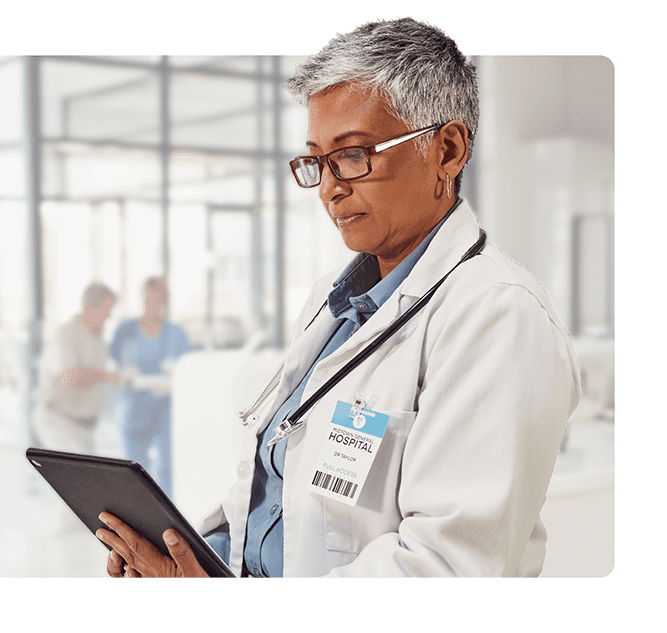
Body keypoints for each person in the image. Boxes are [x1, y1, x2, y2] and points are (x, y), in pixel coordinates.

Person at [96, 18, 581, 578]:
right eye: (318, 161)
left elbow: (445, 569)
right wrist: (188, 562)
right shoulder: (333, 302)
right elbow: (276, 497)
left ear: (447, 151)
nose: (330, 187)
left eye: (354, 155)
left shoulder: (497, 316)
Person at [109, 277, 192, 498]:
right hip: (133, 408)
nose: (152, 303)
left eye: (158, 298)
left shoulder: (177, 334)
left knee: (167, 466)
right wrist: (122, 375)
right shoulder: (125, 330)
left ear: (165, 300)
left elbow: (188, 369)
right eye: (148, 297)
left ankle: (168, 517)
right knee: (135, 469)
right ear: (142, 298)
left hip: (165, 408)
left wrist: (173, 379)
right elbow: (109, 363)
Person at [33, 282, 120, 455]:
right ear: (89, 306)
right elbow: (70, 377)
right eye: (106, 310)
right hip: (58, 421)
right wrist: (105, 376)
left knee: (88, 478)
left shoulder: (98, 336)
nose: (109, 316)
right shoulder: (66, 334)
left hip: (84, 428)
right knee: (81, 479)